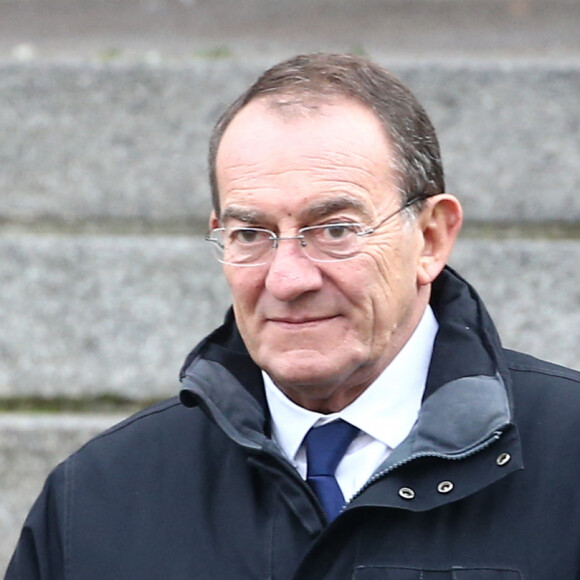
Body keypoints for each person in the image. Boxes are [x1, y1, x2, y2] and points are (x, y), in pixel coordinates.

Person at [5, 53, 580, 580]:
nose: (287, 278)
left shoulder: (568, 460)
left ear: (430, 238)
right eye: (251, 233)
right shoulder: (99, 500)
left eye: (334, 230)